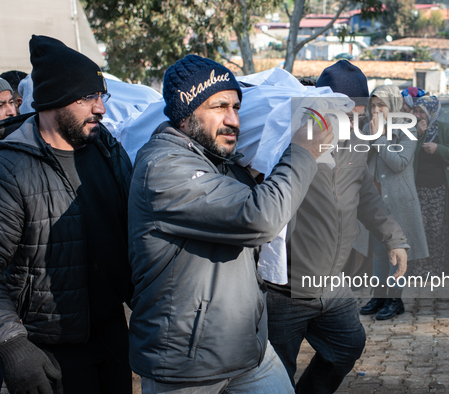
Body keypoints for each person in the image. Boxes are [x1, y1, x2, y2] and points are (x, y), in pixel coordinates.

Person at [128, 55, 333, 393]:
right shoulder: (164, 169)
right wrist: (302, 150)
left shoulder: (218, 160)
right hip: (186, 365)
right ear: (185, 114)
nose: (233, 120)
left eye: (237, 107)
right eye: (219, 106)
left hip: (248, 350)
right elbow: (260, 216)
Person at [0, 35, 133, 394]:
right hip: (49, 350)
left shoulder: (107, 149)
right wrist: (12, 344)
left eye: (101, 96)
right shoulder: (10, 168)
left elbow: (133, 232)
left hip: (111, 336)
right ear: (54, 101)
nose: (100, 108)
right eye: (87, 97)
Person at [266, 60, 409, 394]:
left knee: (348, 345)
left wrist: (393, 238)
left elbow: (364, 193)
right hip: (285, 288)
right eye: (343, 110)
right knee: (276, 373)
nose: (351, 118)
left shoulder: (356, 140)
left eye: (357, 111)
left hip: (332, 281)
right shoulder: (290, 137)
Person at [359, 85, 428, 320]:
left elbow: (399, 163)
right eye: (373, 105)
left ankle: (394, 300)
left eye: (382, 105)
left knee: (395, 253)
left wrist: (378, 137)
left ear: (394, 106)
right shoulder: (367, 126)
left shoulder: (407, 128)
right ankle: (378, 296)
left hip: (398, 201)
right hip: (374, 201)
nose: (376, 110)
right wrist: (370, 134)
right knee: (377, 252)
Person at [412, 96, 449, 279]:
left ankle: (438, 271)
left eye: (422, 112)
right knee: (419, 231)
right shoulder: (411, 129)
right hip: (417, 190)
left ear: (432, 113)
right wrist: (417, 136)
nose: (418, 115)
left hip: (439, 191)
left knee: (438, 231)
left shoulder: (443, 129)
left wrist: (438, 149)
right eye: (415, 111)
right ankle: (419, 271)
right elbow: (405, 154)